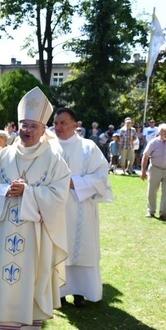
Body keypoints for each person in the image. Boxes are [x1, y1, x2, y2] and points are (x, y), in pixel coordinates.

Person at [0, 87, 70, 330]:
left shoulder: (54, 159)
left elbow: (59, 194)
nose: (27, 131)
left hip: (33, 235)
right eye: (23, 125)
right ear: (17, 126)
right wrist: (3, 190)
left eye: (33, 126)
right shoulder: (3, 156)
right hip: (0, 231)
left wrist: (29, 193)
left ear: (43, 128)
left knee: (29, 279)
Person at [53, 108, 113, 307]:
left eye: (63, 122)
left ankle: (81, 292)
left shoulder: (89, 147)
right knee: (57, 249)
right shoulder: (47, 148)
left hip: (82, 208)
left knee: (81, 249)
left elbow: (101, 175)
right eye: (56, 122)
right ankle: (58, 292)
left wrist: (74, 183)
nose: (58, 127)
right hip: (55, 210)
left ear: (74, 124)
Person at [141, 123, 166, 221]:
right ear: (159, 132)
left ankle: (164, 213)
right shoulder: (153, 142)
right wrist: (143, 171)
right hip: (155, 168)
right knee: (152, 190)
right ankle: (150, 211)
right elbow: (145, 156)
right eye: (164, 132)